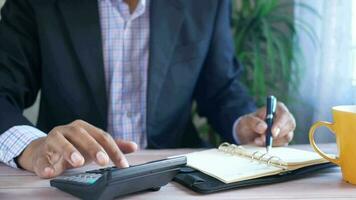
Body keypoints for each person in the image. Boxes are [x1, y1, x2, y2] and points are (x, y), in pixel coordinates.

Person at [0, 0, 296, 178]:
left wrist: (249, 124)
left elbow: (220, 88)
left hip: (176, 178)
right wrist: (33, 147)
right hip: (72, 177)